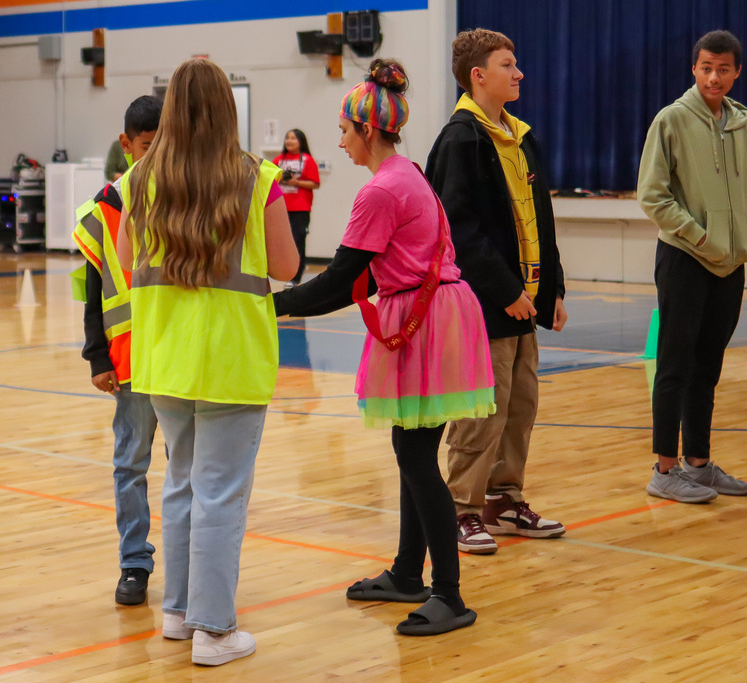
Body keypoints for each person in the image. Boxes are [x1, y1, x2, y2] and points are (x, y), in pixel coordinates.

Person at [274, 59, 495, 636]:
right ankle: (405, 573)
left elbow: (342, 281)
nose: (340, 140)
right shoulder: (409, 174)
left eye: (345, 129)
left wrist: (271, 306)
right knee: (410, 449)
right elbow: (367, 277)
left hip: (429, 321)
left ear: (368, 130)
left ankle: (447, 592)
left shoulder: (381, 189)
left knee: (417, 457)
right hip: (441, 314)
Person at [115, 59, 298, 666]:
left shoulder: (140, 178)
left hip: (164, 356)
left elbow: (123, 261)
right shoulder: (257, 177)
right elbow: (286, 266)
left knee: (182, 485)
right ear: (229, 108)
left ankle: (178, 613)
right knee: (219, 493)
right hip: (232, 358)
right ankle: (215, 631)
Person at [425, 28, 567, 555]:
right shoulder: (461, 139)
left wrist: (553, 286)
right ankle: (462, 508)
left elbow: (541, 219)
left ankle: (504, 500)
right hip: (484, 304)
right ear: (477, 76)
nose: (519, 73)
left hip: (525, 303)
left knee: (520, 405)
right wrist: (504, 289)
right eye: (508, 65)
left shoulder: (522, 136)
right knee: (481, 408)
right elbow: (458, 228)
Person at [637, 30, 747, 503]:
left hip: (730, 264)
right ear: (694, 68)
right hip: (685, 258)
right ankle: (664, 469)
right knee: (675, 365)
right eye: (706, 67)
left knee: (708, 365)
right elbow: (652, 194)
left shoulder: (741, 124)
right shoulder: (671, 119)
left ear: (736, 72)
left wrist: (746, 235)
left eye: (723, 69)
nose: (714, 76)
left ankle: (699, 464)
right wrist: (699, 236)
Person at [73, 94, 163, 605]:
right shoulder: (103, 210)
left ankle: (196, 562)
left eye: (163, 146)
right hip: (129, 364)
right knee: (130, 464)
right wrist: (97, 357)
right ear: (126, 145)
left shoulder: (182, 197)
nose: (155, 157)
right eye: (147, 147)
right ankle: (135, 564)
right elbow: (93, 289)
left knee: (190, 468)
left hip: (181, 357)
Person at [272, 129, 321, 285]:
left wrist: (296, 183)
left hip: (300, 208)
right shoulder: (278, 160)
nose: (289, 141)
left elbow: (315, 183)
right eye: (287, 138)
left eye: (293, 138)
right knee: (281, 242)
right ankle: (283, 272)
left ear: (301, 141)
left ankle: (296, 276)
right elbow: (269, 180)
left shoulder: (307, 160)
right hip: (280, 207)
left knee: (298, 240)